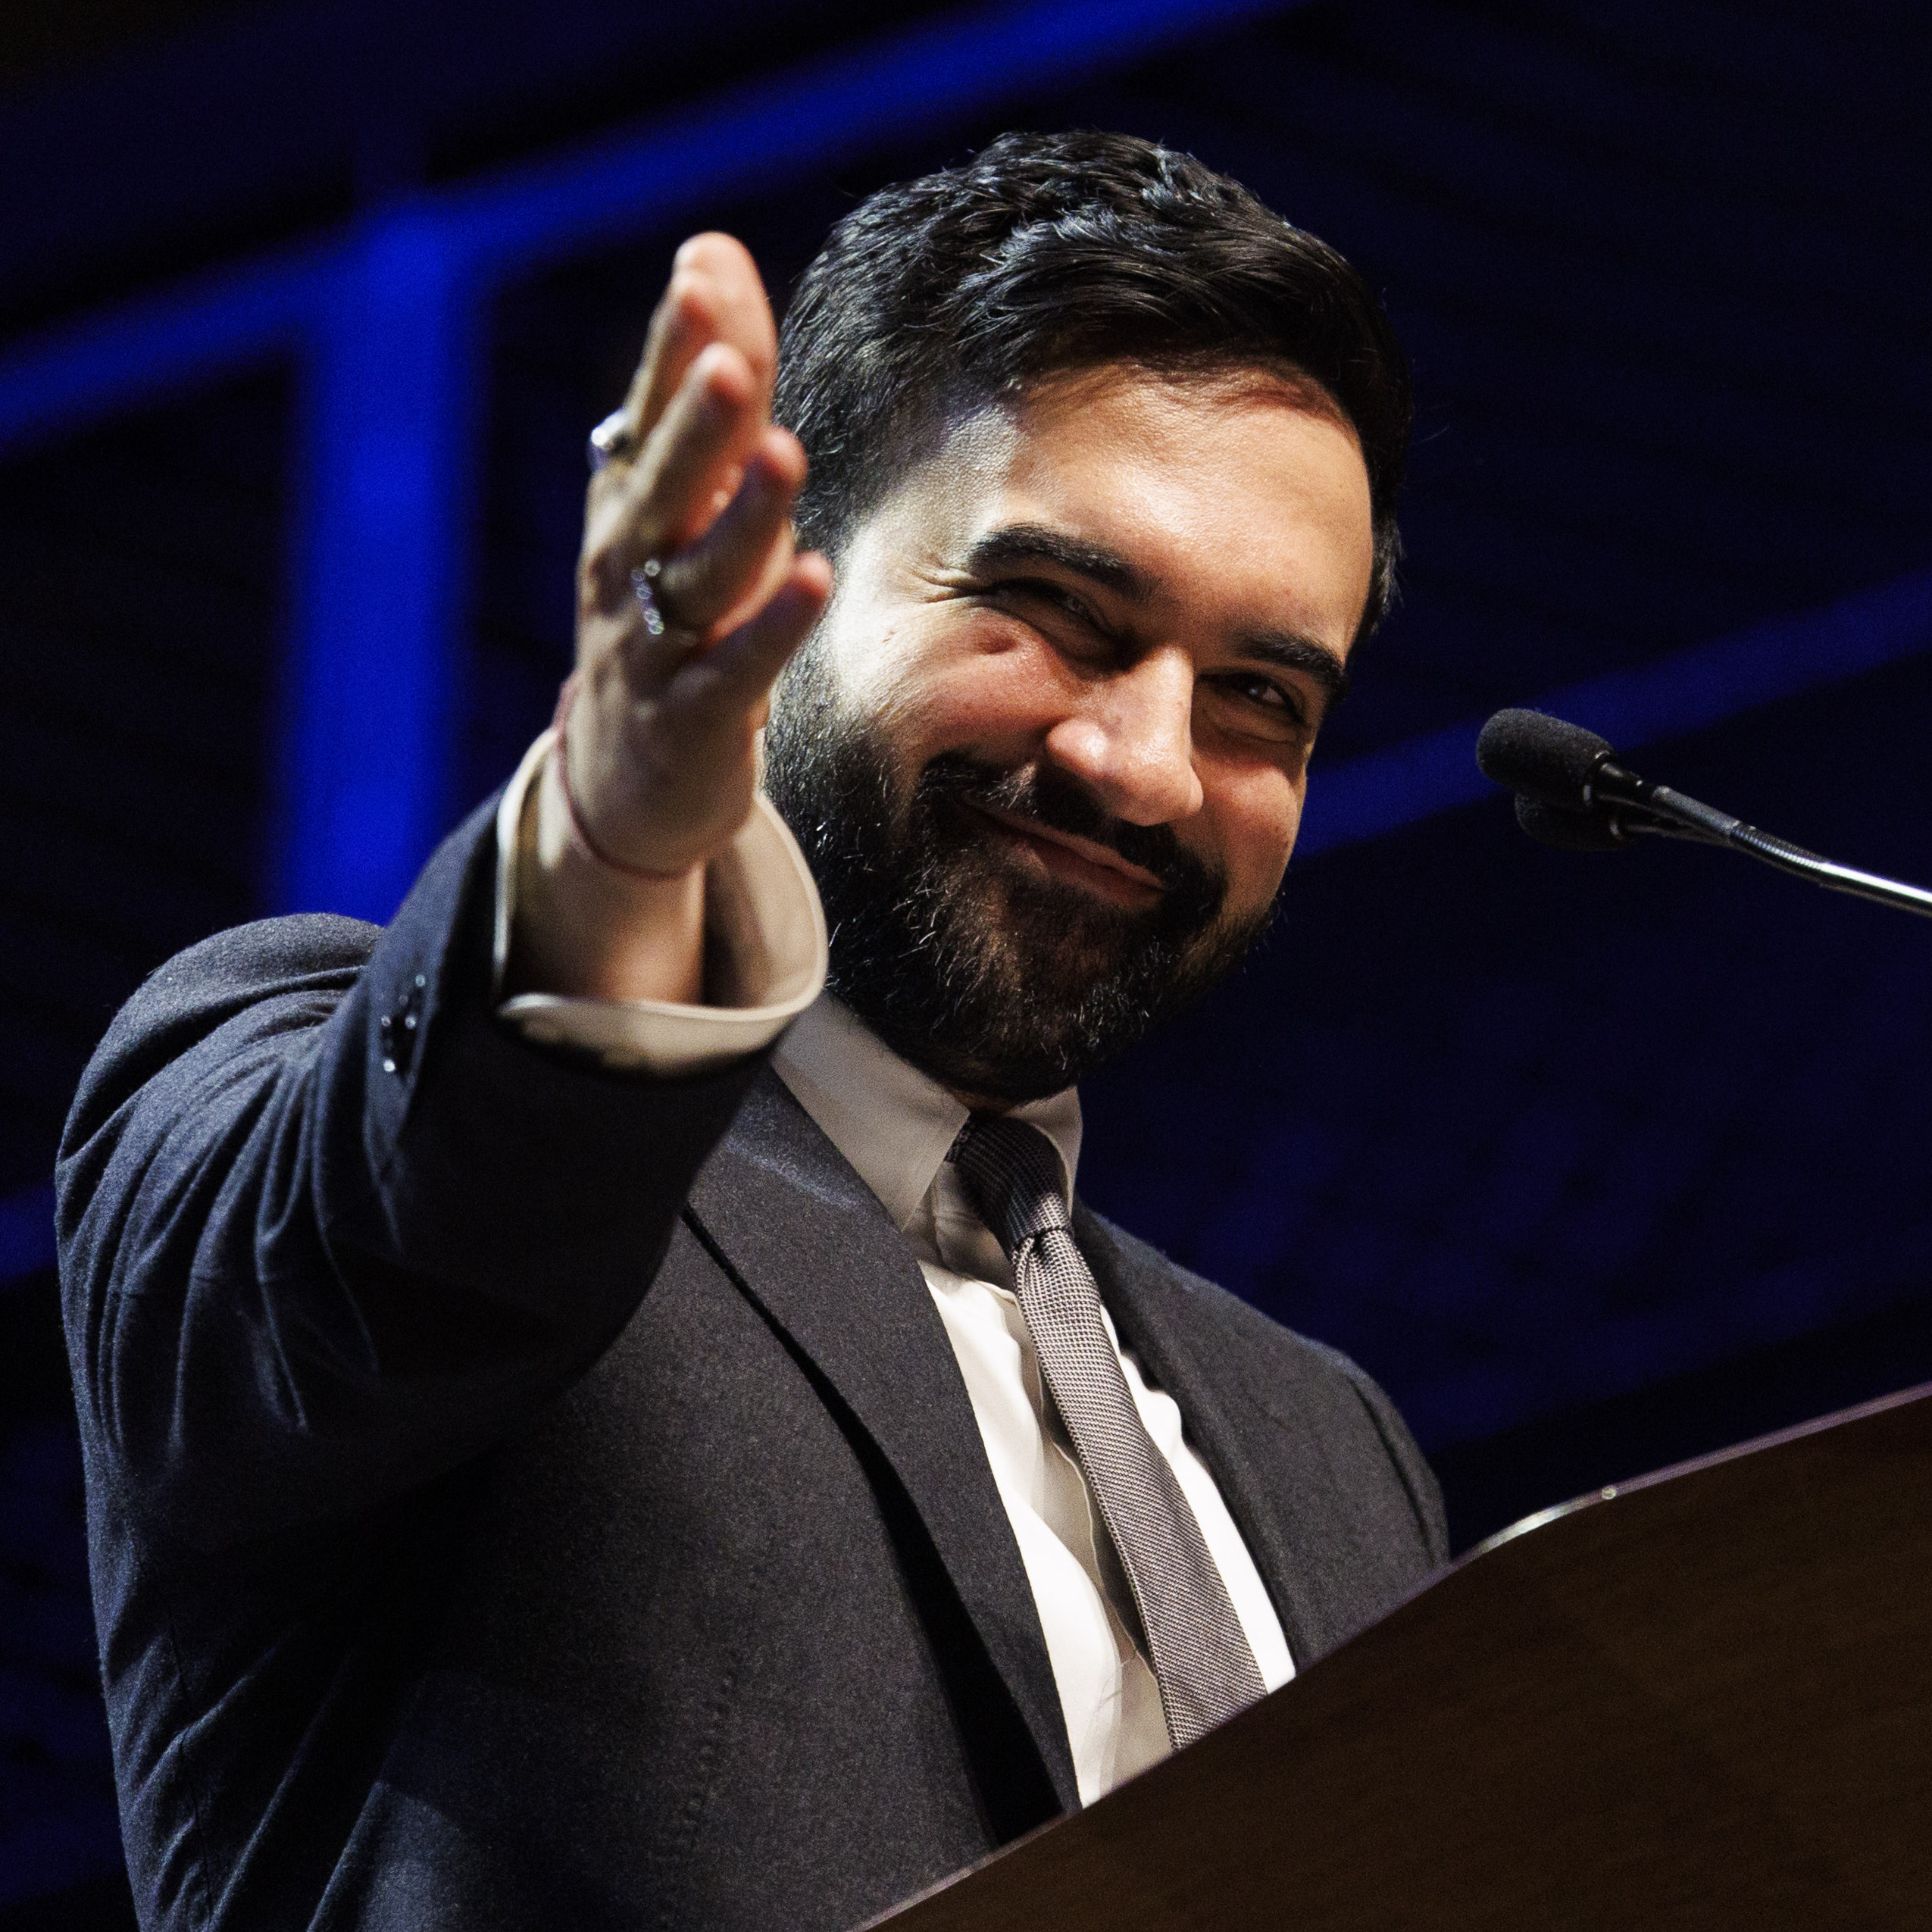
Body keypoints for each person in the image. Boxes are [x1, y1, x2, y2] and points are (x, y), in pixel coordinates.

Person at [58, 132, 1446, 1932]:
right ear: (776, 578)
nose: (1149, 767)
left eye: (1261, 697)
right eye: (1057, 614)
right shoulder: (323, 1091)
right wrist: (614, 847)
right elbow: (414, 1232)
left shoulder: (1336, 1449)